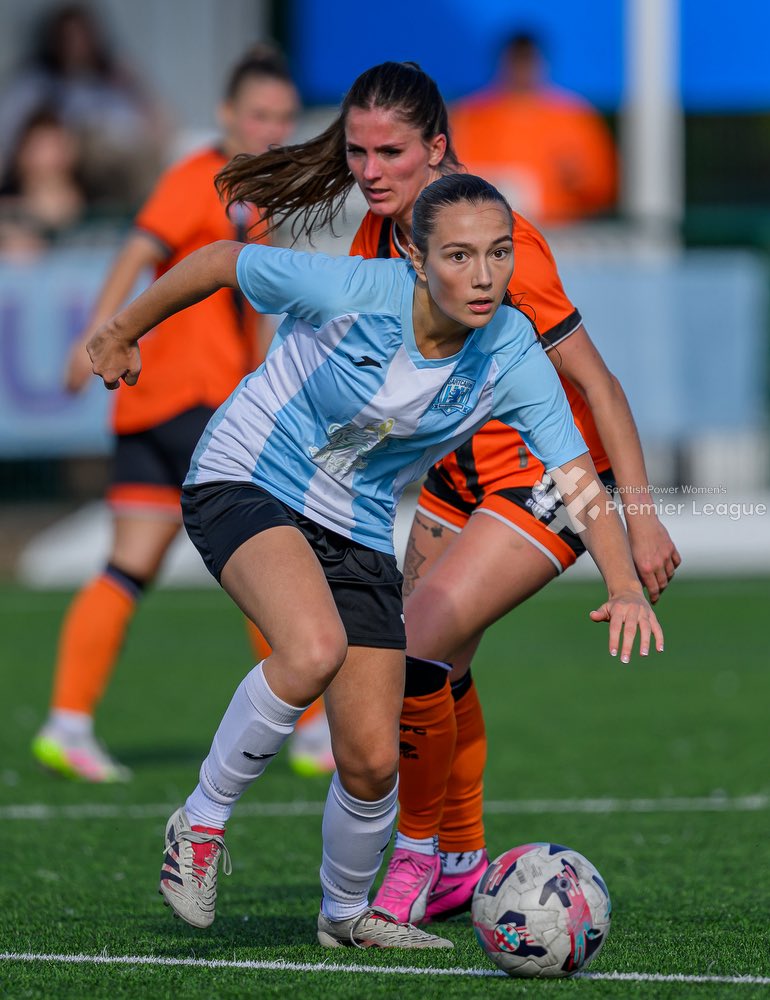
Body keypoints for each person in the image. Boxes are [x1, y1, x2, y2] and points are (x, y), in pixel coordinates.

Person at [86, 172, 663, 948]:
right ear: (417, 262)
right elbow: (223, 260)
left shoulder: (512, 349)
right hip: (247, 474)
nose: (486, 275)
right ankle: (199, 824)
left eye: (498, 253)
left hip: (352, 522)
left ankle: (346, 915)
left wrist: (623, 584)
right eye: (459, 256)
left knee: (369, 759)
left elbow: (575, 477)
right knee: (312, 649)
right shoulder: (356, 287)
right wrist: (123, 330)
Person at [216, 61, 680, 926]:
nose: (369, 171)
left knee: (418, 646)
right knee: (430, 672)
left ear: (437, 149)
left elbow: (600, 384)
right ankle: (462, 858)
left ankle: (419, 861)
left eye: (390, 153)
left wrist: (639, 523)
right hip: (453, 480)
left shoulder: (503, 242)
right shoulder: (380, 237)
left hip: (541, 478)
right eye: (358, 153)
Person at [31, 46, 300, 783]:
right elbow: (137, 251)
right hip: (190, 398)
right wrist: (99, 336)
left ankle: (67, 723)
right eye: (260, 115)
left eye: (282, 117)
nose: (273, 130)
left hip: (147, 408)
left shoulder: (253, 197)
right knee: (269, 547)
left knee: (129, 564)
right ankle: (309, 729)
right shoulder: (204, 183)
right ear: (226, 117)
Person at [0, 3, 166, 211]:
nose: (76, 45)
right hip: (39, 181)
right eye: (68, 38)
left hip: (98, 177)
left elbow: (147, 127)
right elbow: (13, 129)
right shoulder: (34, 83)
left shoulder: (111, 82)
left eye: (81, 36)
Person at [450, 31, 618, 225]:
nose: (522, 69)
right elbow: (447, 175)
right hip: (482, 231)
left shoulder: (574, 116)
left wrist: (580, 181)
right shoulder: (469, 115)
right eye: (516, 61)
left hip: (558, 231)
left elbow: (602, 185)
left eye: (528, 60)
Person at [0, 106, 87, 259]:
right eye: (40, 148)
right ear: (22, 155)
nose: (51, 158)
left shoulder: (95, 203)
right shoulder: (7, 207)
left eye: (57, 146)